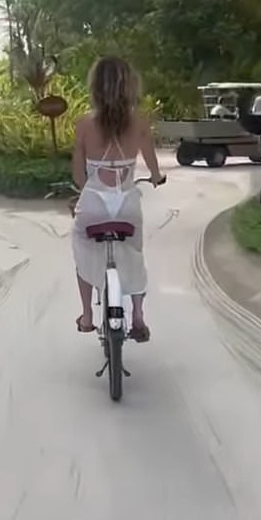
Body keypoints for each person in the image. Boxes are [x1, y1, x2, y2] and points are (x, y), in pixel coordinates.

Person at [70, 56, 165, 343]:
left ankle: (87, 315)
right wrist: (157, 177)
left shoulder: (85, 123)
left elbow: (78, 175)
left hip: (95, 202)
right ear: (129, 85)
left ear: (95, 87)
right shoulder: (140, 121)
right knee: (134, 254)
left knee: (82, 250)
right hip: (126, 203)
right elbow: (152, 165)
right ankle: (137, 315)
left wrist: (86, 191)